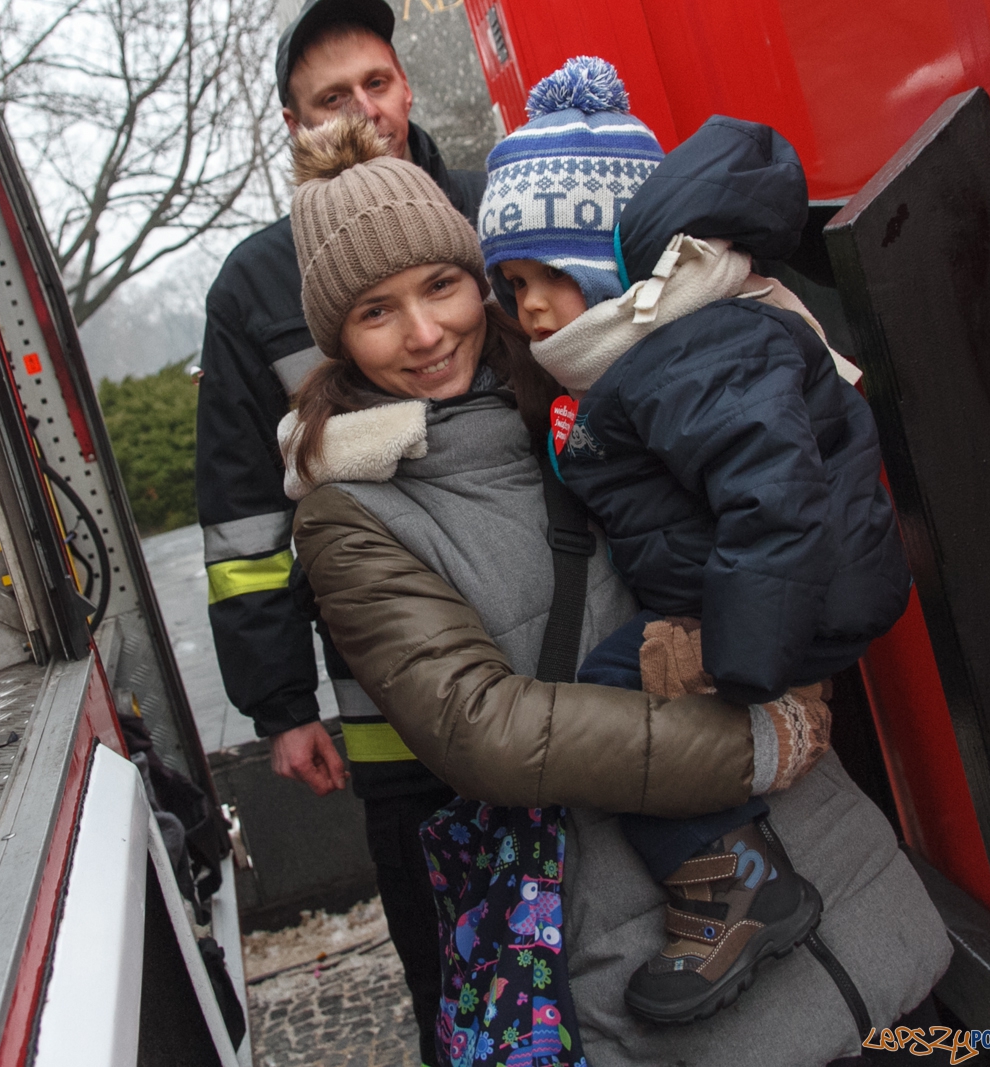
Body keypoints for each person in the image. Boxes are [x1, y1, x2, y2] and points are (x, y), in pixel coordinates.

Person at [283, 112, 950, 1066]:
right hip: (660, 955)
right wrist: (753, 743)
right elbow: (488, 731)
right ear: (337, 337)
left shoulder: (590, 389)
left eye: (443, 286)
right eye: (376, 311)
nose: (426, 333)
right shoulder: (348, 514)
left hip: (856, 896)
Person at [477, 57, 915, 1025]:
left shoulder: (692, 349)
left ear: (622, 264)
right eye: (510, 282)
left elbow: (772, 496)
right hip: (769, 586)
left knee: (610, 702)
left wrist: (736, 651)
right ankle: (738, 870)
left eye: (554, 273)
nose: (533, 305)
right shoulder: (650, 349)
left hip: (789, 596)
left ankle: (738, 890)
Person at [193, 0, 485, 1057]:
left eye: (376, 81)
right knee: (456, 965)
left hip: (561, 666)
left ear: (404, 87)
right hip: (394, 705)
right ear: (294, 122)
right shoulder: (257, 285)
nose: (362, 107)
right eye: (331, 96)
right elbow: (241, 516)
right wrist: (280, 702)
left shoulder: (493, 207)